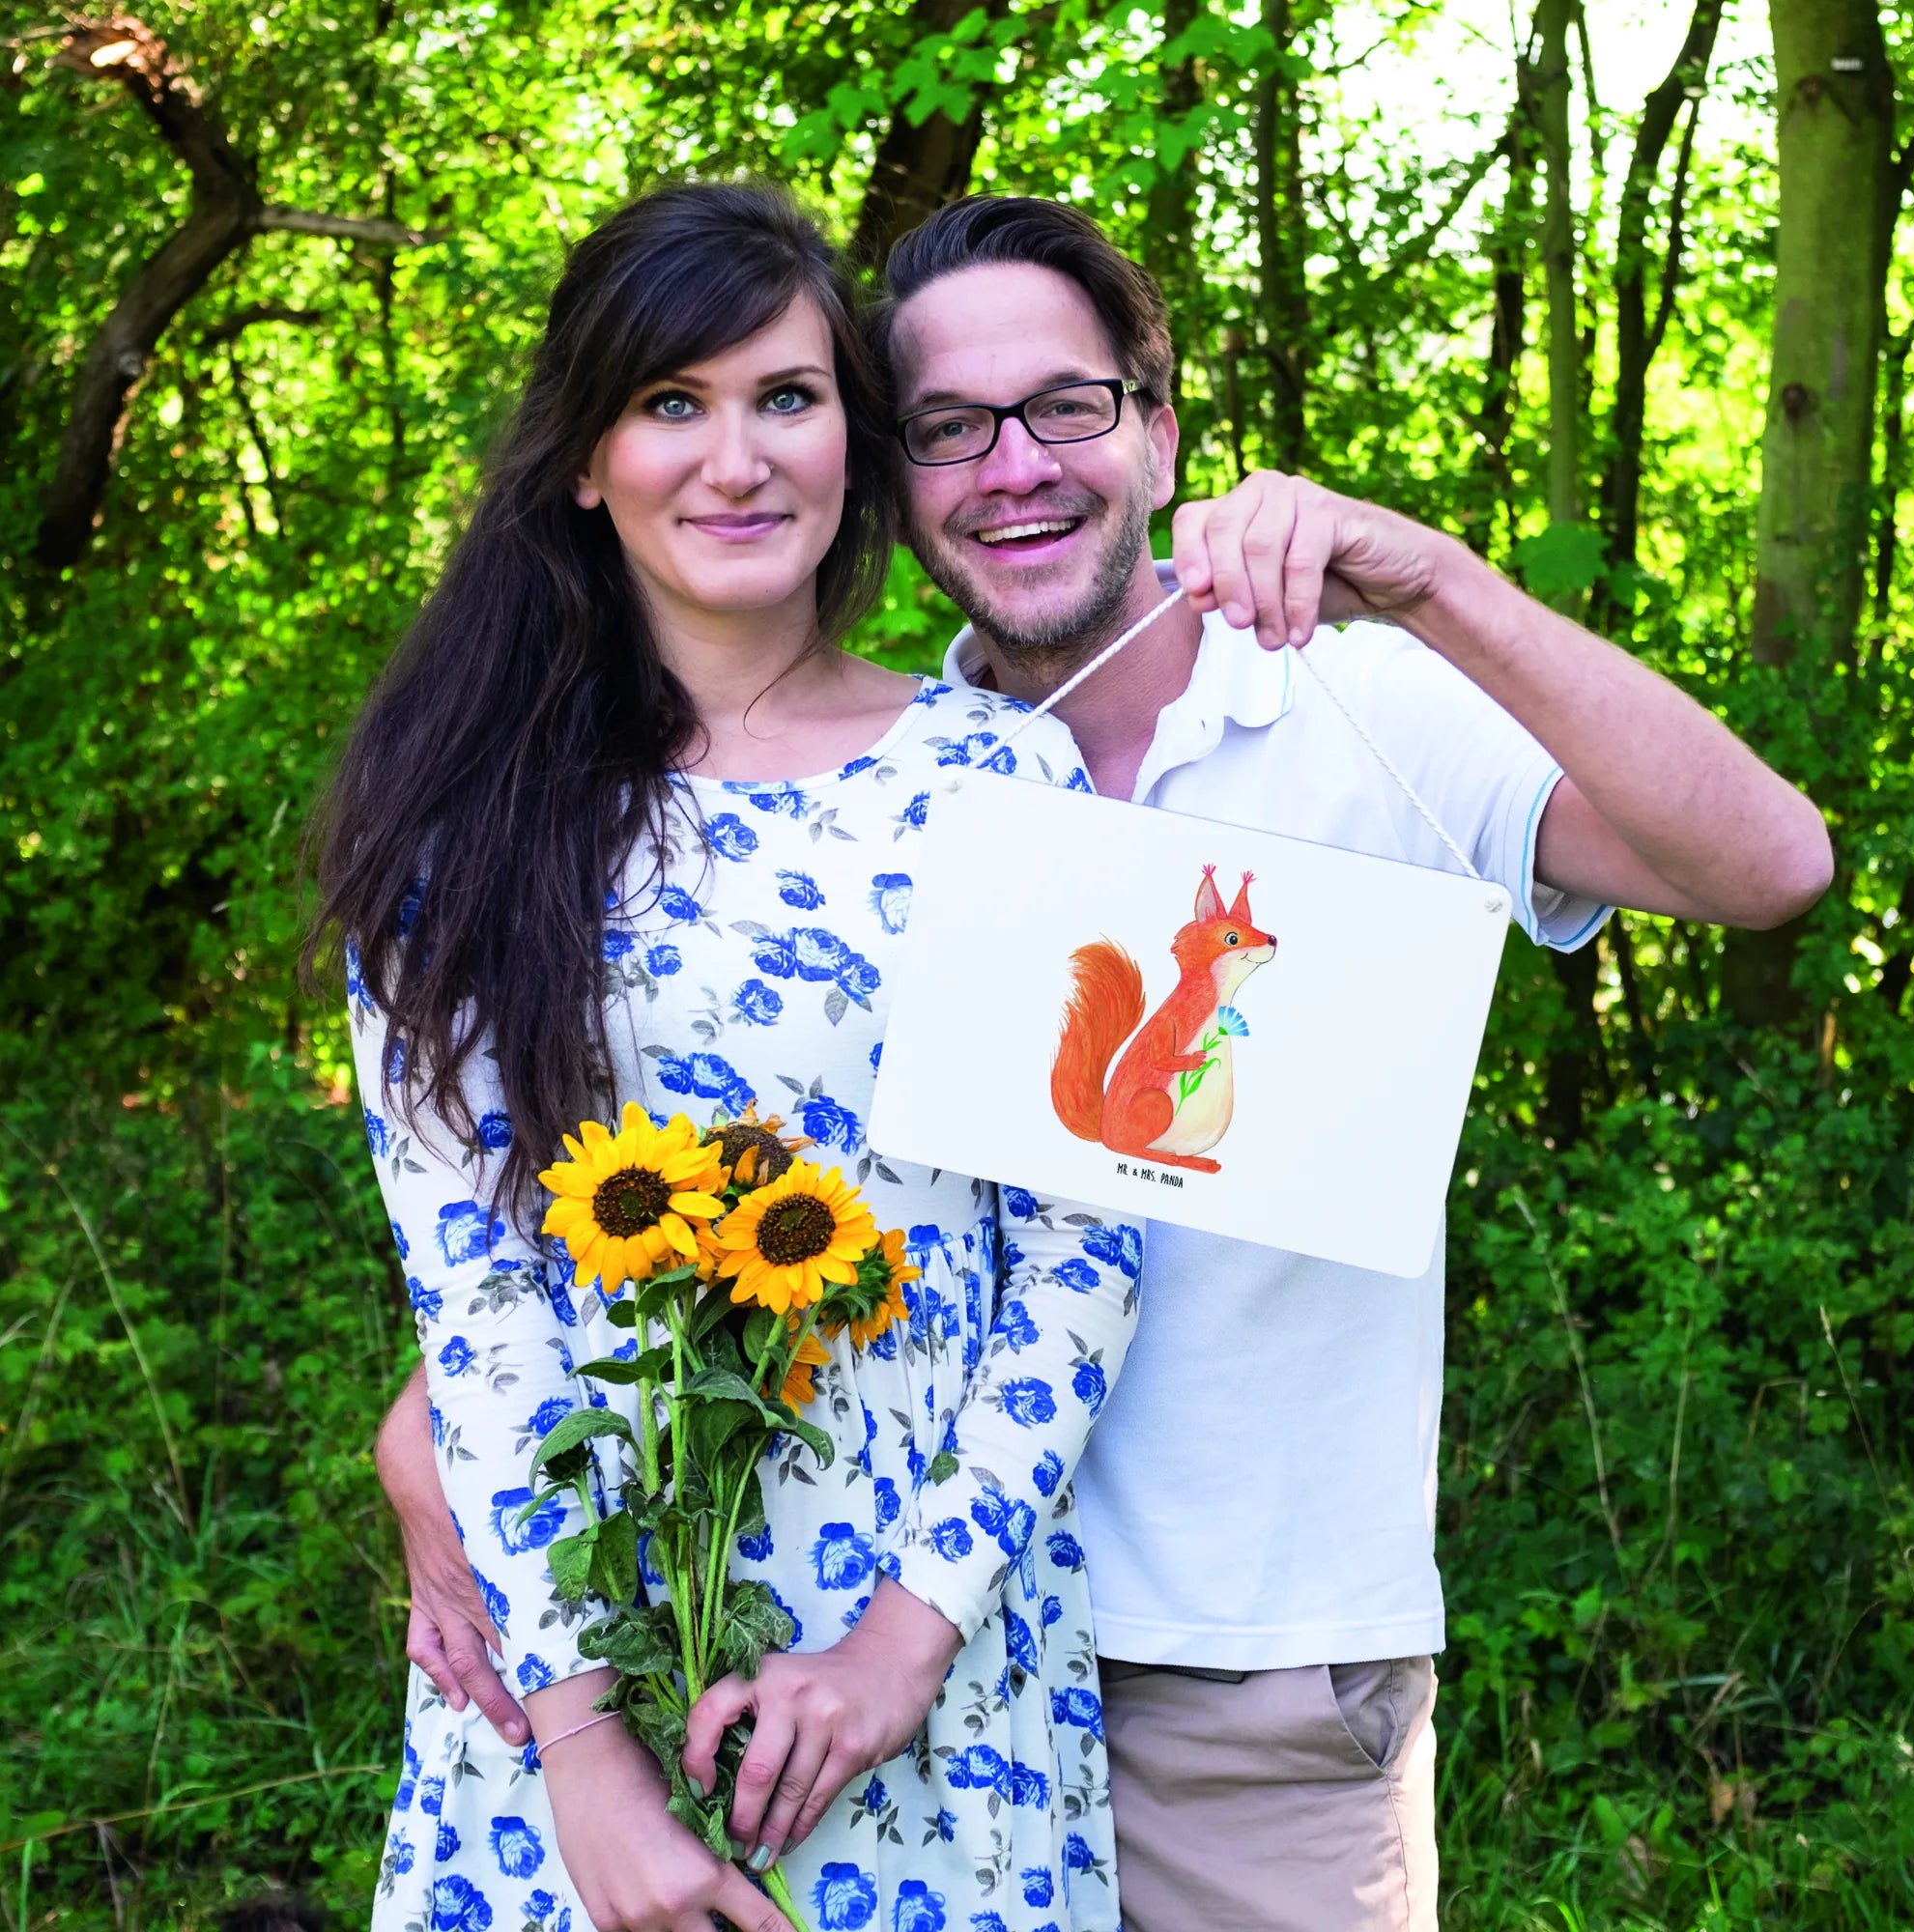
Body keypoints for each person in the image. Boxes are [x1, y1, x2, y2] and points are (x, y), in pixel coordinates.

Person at [380, 191, 1833, 1930]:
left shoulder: (1345, 705)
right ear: (895, 471)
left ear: (1159, 431)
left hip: (1232, 1676)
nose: (1014, 467)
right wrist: (441, 1426)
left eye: (1065, 407)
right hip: (808, 1643)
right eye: (949, 427)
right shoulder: (891, 783)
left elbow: (1771, 867)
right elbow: (662, 1172)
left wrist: (1430, 577)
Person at [313, 182, 1144, 1932]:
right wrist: (586, 1763)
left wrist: (903, 1647)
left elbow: (1086, 1246)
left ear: (855, 434)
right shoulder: (463, 825)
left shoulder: (1003, 778)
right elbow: (477, 1299)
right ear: (583, 458)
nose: (738, 459)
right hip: (574, 1660)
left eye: (788, 397)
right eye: (671, 403)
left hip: (929, 1662)